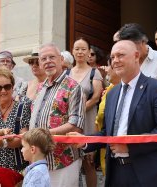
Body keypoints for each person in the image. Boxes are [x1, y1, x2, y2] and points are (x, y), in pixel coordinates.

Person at [69, 40, 157, 186]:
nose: (115, 61)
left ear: (136, 56)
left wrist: (129, 147)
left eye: (120, 55)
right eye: (113, 57)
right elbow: (107, 132)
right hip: (115, 172)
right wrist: (85, 141)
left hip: (145, 174)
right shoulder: (112, 93)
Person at [29, 43, 85, 187]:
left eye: (52, 57)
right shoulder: (40, 87)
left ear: (61, 60)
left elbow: (76, 125)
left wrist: (45, 134)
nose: (48, 61)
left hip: (64, 160)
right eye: (43, 59)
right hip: (41, 159)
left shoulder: (73, 86)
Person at [71, 37, 103, 187]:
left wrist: (78, 111)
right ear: (72, 51)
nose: (80, 52)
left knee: (88, 162)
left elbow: (96, 96)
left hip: (88, 120)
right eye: (77, 48)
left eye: (83, 49)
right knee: (70, 161)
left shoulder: (94, 73)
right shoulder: (66, 73)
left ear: (89, 52)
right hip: (69, 123)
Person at [95, 56, 121, 176]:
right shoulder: (109, 90)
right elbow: (99, 119)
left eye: (108, 67)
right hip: (104, 144)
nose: (107, 70)